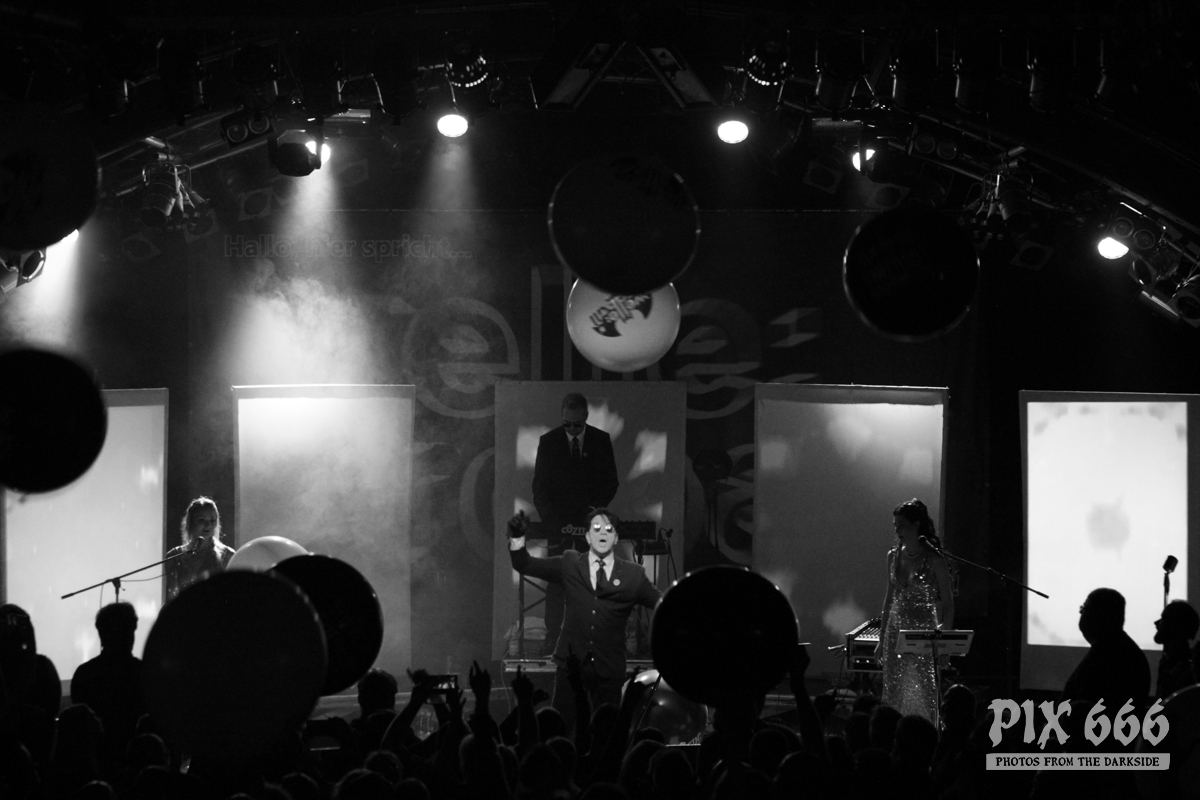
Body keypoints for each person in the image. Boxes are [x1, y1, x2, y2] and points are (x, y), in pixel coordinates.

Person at [507, 507, 659, 733]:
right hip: (572, 664)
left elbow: (663, 602)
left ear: (616, 537)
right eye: (596, 528)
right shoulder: (570, 563)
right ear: (587, 536)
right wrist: (517, 537)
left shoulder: (633, 574)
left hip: (609, 667)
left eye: (608, 529)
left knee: (606, 733)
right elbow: (525, 564)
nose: (602, 532)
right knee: (559, 729)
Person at [531, 393, 620, 655]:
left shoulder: (600, 441)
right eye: (566, 424)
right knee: (556, 580)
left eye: (576, 424)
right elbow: (539, 485)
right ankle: (553, 637)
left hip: (588, 522)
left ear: (586, 417)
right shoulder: (549, 442)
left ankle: (589, 638)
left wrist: (595, 511)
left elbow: (611, 482)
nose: (571, 429)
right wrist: (550, 520)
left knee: (590, 580)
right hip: (557, 522)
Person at [876, 498, 955, 725]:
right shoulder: (893, 556)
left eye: (901, 525)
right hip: (895, 632)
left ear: (916, 525)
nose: (897, 531)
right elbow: (889, 599)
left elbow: (948, 604)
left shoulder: (935, 558)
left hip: (924, 633)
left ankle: (926, 737)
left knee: (924, 691)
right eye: (895, 526)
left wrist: (945, 645)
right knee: (894, 692)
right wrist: (882, 638)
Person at [70, 602, 146, 772]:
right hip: (138, 765)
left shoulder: (84, 674)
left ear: (101, 634)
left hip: (97, 765)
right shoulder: (144, 673)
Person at [164, 497, 236, 602]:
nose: (208, 525)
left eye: (212, 520)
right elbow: (171, 599)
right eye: (201, 520)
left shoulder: (228, 556)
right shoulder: (174, 556)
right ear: (190, 522)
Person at [1153, 599, 1199, 698]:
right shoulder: (1168, 663)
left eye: (1164, 618)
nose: (1156, 623)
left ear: (1175, 626)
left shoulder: (1185, 670)